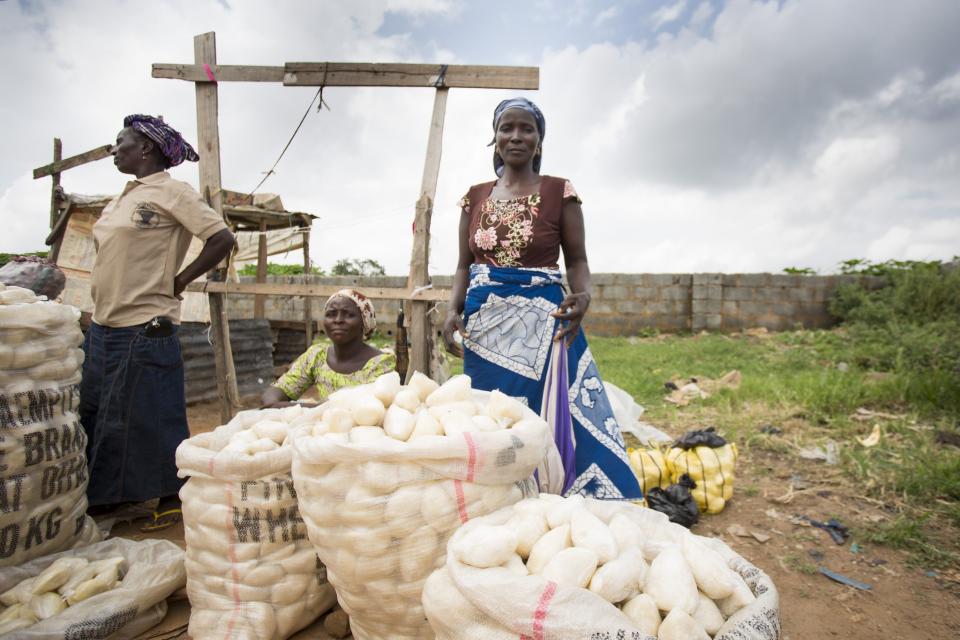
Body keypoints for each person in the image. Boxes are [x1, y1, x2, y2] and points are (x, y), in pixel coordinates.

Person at [442, 97, 642, 501]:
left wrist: (583, 295)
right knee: (489, 413)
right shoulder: (474, 197)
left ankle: (554, 495)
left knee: (549, 414)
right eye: (507, 128)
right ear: (494, 139)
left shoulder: (558, 192)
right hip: (485, 328)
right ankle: (495, 498)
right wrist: (452, 308)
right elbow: (464, 265)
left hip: (546, 323)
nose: (516, 136)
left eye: (526, 129)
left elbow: (579, 259)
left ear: (539, 140)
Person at [81, 114, 235, 531]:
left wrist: (180, 280)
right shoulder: (123, 197)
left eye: (121, 142)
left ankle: (170, 494)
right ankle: (109, 497)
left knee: (151, 412)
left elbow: (222, 238)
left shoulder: (172, 192)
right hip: (103, 324)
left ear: (145, 148)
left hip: (145, 321)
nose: (115, 150)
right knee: (100, 411)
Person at [261, 289, 397, 407]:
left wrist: (308, 408)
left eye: (349, 314)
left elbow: (368, 410)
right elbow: (275, 393)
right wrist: (312, 408)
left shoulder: (380, 364)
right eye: (331, 314)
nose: (338, 320)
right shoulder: (317, 356)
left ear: (364, 322)